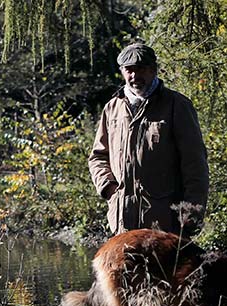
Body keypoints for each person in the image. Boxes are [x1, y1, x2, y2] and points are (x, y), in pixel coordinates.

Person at [88, 42, 210, 236]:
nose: (135, 76)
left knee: (165, 268)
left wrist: (191, 215)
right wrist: (109, 189)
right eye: (129, 70)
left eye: (141, 69)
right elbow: (98, 156)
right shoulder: (112, 108)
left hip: (165, 224)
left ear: (153, 70)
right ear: (122, 71)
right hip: (121, 222)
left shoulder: (177, 105)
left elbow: (195, 165)